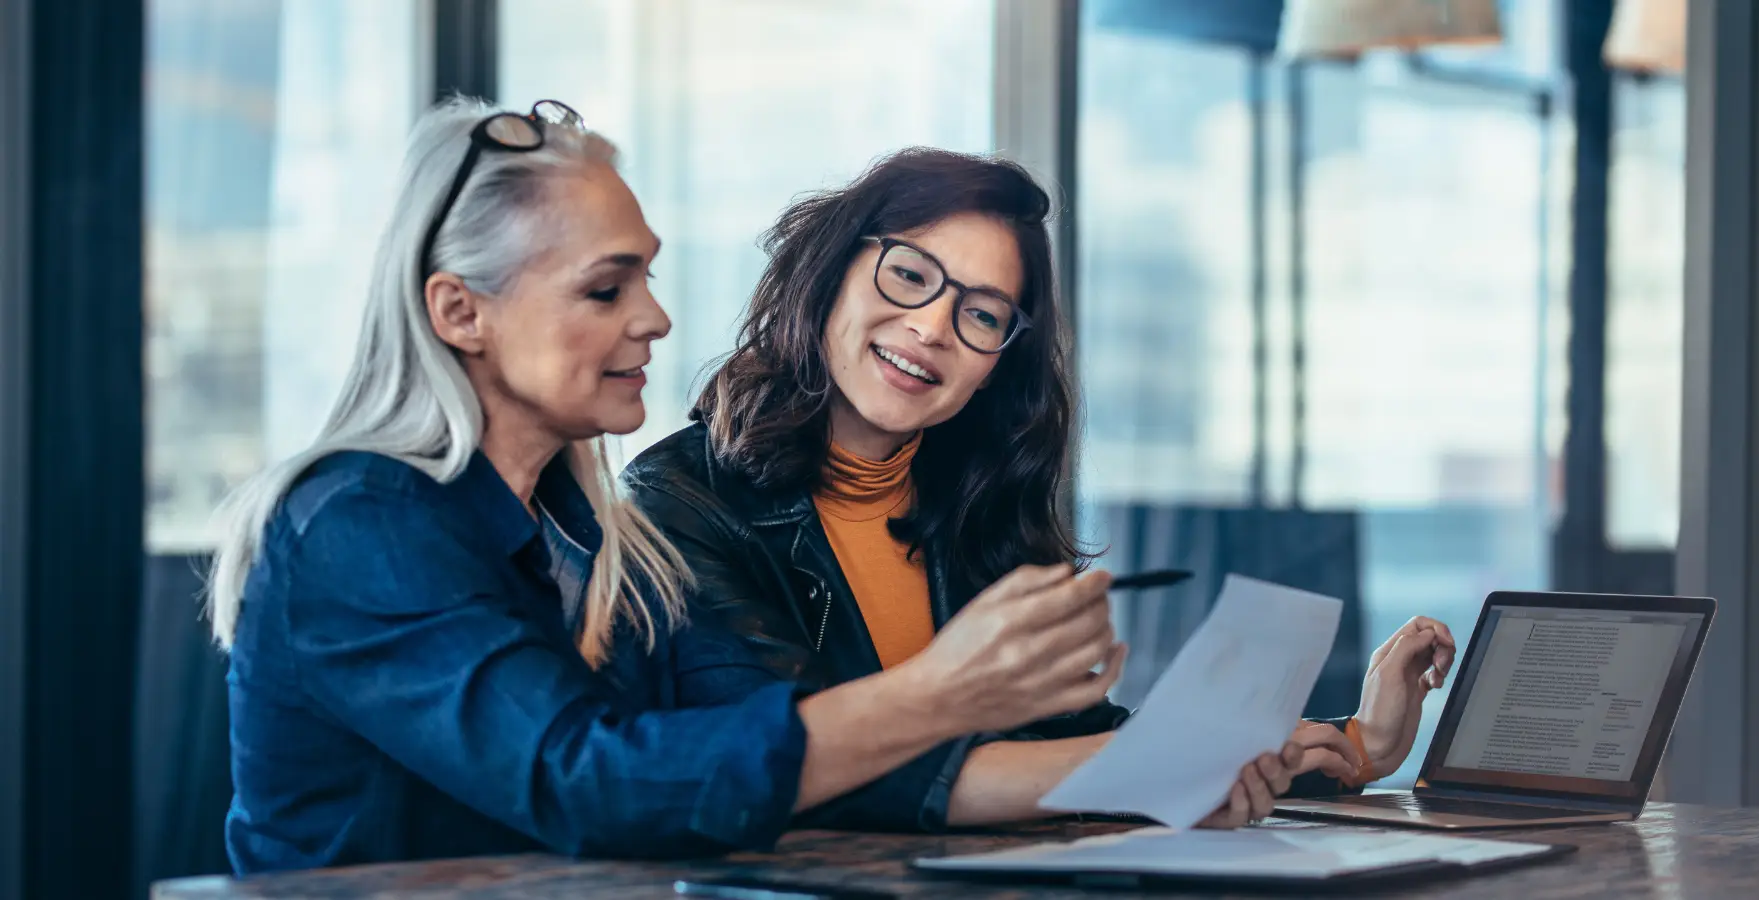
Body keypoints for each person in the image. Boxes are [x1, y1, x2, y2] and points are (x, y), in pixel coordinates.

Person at [207, 100, 1315, 875]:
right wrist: (946, 693)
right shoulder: (357, 524)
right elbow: (590, 784)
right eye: (607, 286)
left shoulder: (591, 535)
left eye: (645, 274)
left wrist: (1164, 768)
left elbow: (767, 757)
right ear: (460, 312)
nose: (654, 317)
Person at [624, 147, 1457, 832]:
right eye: (909, 275)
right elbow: (805, 766)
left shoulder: (972, 509)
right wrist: (1169, 767)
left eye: (982, 314)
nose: (932, 328)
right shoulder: (675, 505)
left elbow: (1073, 743)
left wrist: (1358, 743)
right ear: (831, 272)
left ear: (997, 367)